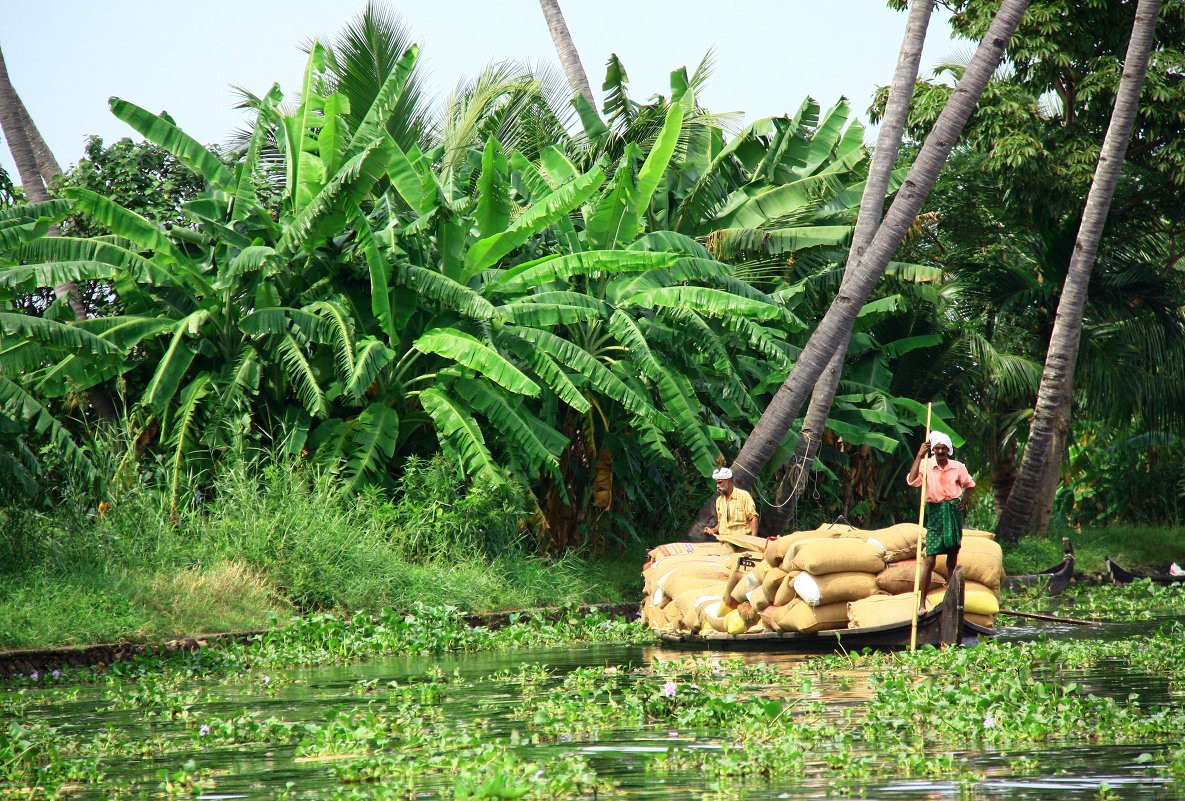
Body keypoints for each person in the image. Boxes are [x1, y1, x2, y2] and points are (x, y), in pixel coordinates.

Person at [907, 431, 975, 613]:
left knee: (952, 556)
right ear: (933, 450)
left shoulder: (958, 467)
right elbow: (912, 480)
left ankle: (949, 597)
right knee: (930, 559)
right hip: (935, 511)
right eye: (936, 449)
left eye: (943, 449)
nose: (939, 452)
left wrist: (963, 501)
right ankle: (921, 604)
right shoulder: (926, 465)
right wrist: (919, 455)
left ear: (948, 450)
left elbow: (970, 485)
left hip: (952, 510)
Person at [703, 467, 759, 539]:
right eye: (716, 483)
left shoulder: (743, 496)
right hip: (724, 541)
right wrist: (712, 530)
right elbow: (720, 524)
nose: (717, 486)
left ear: (729, 481)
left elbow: (753, 517)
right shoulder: (719, 501)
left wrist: (753, 540)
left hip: (742, 541)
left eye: (720, 482)